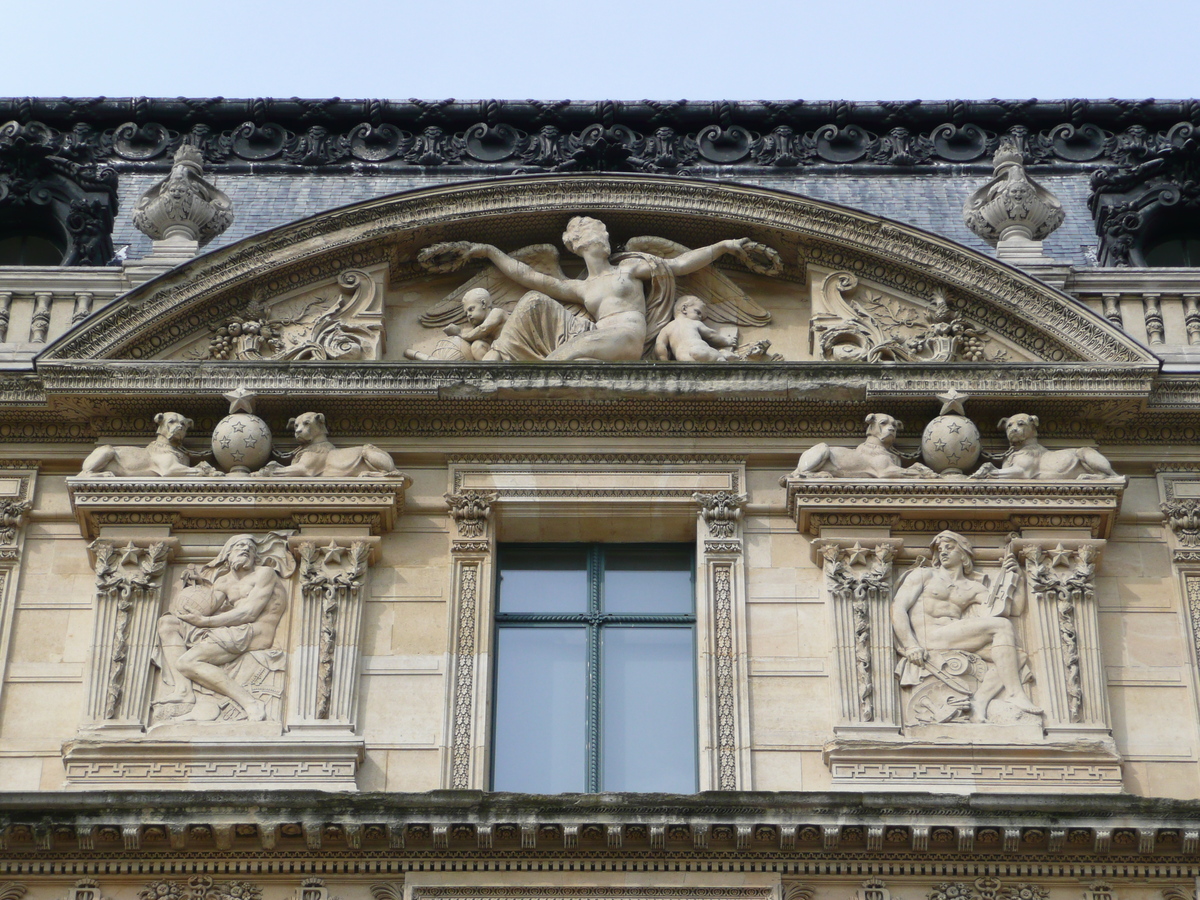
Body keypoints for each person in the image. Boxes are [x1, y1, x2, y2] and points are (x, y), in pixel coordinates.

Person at [464, 216, 754, 361]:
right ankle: (501, 354)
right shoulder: (581, 288)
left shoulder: (629, 269)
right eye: (595, 233)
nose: (603, 237)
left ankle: (544, 365)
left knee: (565, 355)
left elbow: (678, 265)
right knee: (532, 299)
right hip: (595, 333)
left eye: (602, 233)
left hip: (626, 337)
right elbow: (529, 276)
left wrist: (721, 246)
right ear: (578, 246)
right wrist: (492, 252)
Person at [891, 530, 1041, 723]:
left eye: (949, 547)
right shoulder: (924, 575)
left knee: (1017, 656)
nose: (943, 552)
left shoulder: (973, 588)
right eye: (940, 549)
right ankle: (1014, 693)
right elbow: (898, 608)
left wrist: (1017, 578)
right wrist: (910, 645)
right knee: (1001, 627)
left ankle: (980, 701)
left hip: (954, 636)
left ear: (963, 553)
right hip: (930, 636)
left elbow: (1011, 610)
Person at [155, 534, 290, 722]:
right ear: (227, 554)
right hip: (231, 630)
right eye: (240, 546)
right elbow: (207, 608)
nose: (246, 549)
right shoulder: (223, 582)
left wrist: (205, 622)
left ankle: (250, 703)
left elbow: (249, 613)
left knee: (187, 662)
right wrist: (193, 589)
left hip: (255, 631)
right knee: (167, 623)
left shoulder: (264, 574)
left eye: (250, 548)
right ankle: (184, 690)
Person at [654, 296, 738, 361]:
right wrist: (726, 340)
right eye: (698, 312)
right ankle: (722, 356)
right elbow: (711, 334)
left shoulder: (666, 328)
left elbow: (660, 345)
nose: (699, 317)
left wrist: (664, 360)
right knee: (712, 356)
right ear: (684, 309)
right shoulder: (694, 323)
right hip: (698, 348)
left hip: (682, 356)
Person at [442, 288, 510, 360]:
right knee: (477, 346)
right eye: (466, 313)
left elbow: (483, 329)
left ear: (483, 304)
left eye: (471, 309)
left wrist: (460, 334)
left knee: (492, 356)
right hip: (499, 350)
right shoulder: (480, 330)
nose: (468, 315)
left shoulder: (497, 312)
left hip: (510, 348)